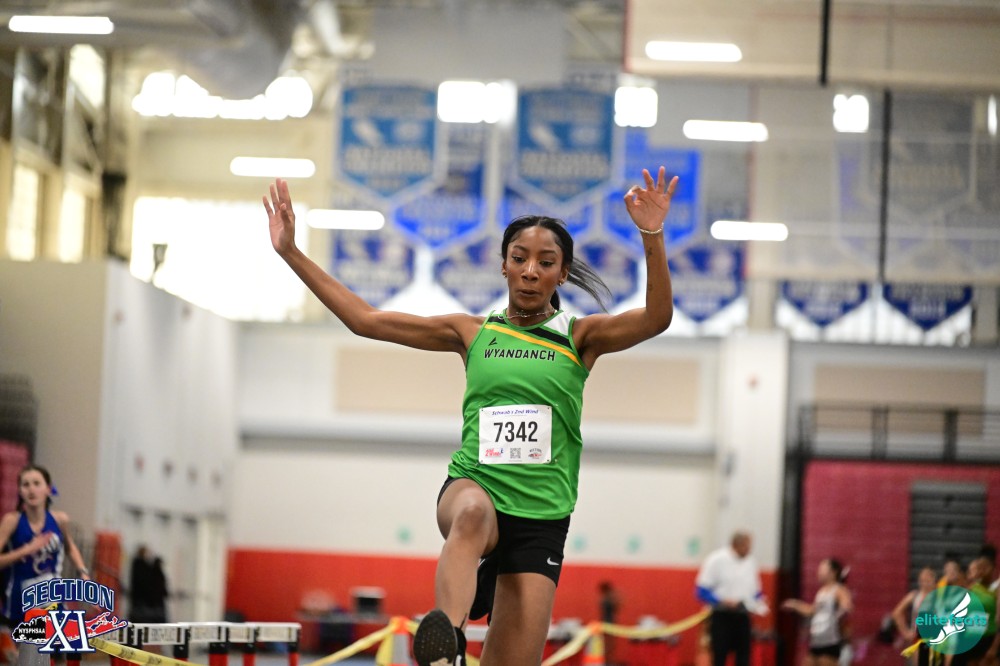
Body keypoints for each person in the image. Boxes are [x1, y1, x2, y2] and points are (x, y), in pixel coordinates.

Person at [264, 167, 678, 666]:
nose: (530, 271)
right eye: (519, 258)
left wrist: (652, 234)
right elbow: (365, 319)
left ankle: (473, 614)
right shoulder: (472, 332)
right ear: (503, 266)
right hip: (475, 485)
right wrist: (291, 252)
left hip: (541, 516)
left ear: (562, 274)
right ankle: (449, 646)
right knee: (473, 514)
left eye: (545, 263)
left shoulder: (580, 337)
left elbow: (656, 318)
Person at [0, 464, 90, 627]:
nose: (31, 489)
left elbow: (70, 547)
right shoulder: (12, 521)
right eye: (26, 485)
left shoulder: (59, 520)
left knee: (58, 640)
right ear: (20, 491)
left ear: (48, 489)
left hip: (51, 598)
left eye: (36, 483)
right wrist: (27, 549)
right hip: (19, 603)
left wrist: (83, 571)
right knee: (26, 642)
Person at [694, 531, 768, 666]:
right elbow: (701, 591)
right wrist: (721, 601)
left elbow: (755, 591)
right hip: (721, 616)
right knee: (719, 656)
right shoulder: (716, 560)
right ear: (735, 544)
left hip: (743, 615)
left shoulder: (751, 562)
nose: (749, 550)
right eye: (746, 546)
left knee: (744, 657)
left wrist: (760, 600)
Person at [782, 558, 853, 666]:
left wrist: (844, 607)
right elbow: (811, 610)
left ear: (833, 573)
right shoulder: (821, 592)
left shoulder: (838, 590)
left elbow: (846, 604)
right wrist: (794, 604)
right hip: (816, 642)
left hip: (829, 643)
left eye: (822, 569)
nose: (818, 572)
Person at [891, 566, 938, 666]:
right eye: (922, 580)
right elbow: (896, 613)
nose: (925, 583)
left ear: (934, 581)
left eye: (927, 580)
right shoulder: (915, 595)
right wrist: (905, 632)